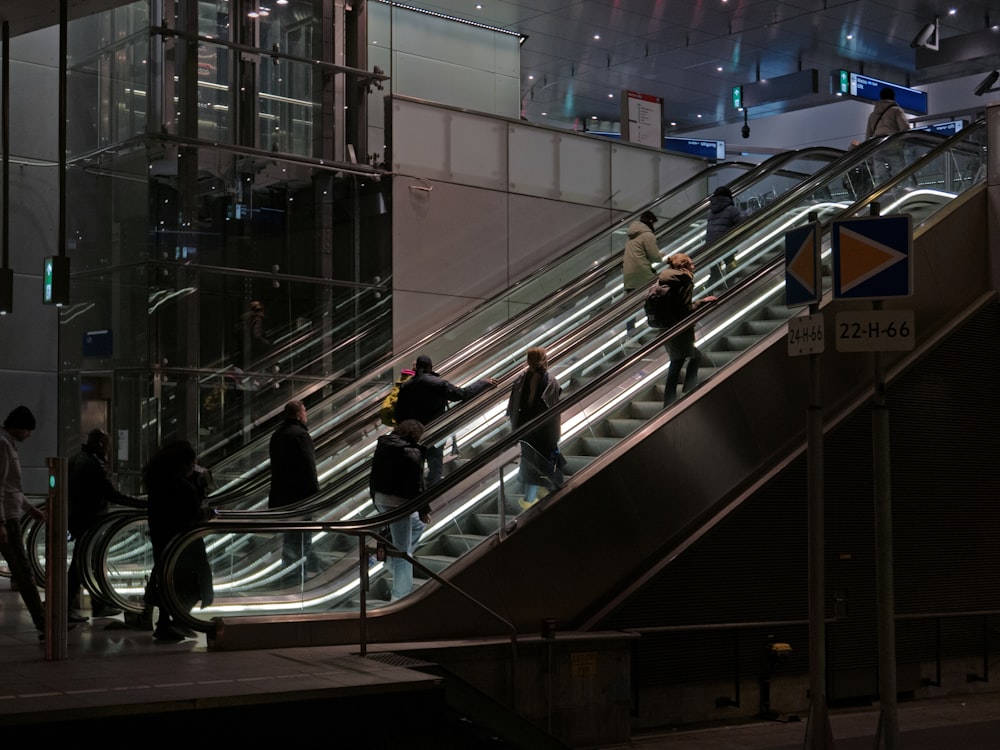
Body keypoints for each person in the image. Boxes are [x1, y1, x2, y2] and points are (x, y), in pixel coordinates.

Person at [67, 428, 145, 622]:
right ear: (101, 444)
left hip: (79, 516)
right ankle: (71, 604)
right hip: (90, 518)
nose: (110, 448)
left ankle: (97, 604)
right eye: (109, 444)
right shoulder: (94, 463)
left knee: (86, 562)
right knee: (82, 563)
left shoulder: (80, 458)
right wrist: (142, 503)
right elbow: (110, 493)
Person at [144, 440, 214, 642]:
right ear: (183, 464)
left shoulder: (157, 481)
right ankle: (179, 622)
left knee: (167, 581)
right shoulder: (183, 487)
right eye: (192, 464)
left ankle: (166, 624)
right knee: (192, 584)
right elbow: (190, 515)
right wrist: (207, 512)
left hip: (162, 539)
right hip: (184, 544)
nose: (194, 468)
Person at [393, 355, 498, 485]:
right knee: (435, 465)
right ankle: (432, 492)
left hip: (413, 435)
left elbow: (399, 413)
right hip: (435, 431)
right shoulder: (439, 384)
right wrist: (482, 382)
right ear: (430, 367)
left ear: (416, 368)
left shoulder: (405, 386)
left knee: (415, 465)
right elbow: (461, 394)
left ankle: (416, 493)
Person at [0, 406, 48, 637]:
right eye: (28, 430)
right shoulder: (3, 445)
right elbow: (1, 487)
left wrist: (30, 510)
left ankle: (42, 621)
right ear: (20, 427)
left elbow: (12, 489)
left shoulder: (8, 445)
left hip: (9, 516)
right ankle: (42, 622)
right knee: (23, 570)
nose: (29, 435)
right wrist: (1, 522)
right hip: (7, 519)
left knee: (24, 570)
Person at [369, 419, 428, 601]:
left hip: (380, 498)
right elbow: (417, 485)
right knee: (403, 551)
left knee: (416, 526)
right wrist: (423, 510)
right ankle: (400, 596)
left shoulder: (384, 445)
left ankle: (390, 561)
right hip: (398, 503)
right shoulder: (411, 452)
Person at [651, 254, 717, 405]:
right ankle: (683, 394)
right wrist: (702, 301)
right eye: (691, 264)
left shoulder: (663, 278)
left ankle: (675, 397)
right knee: (683, 360)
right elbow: (686, 309)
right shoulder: (684, 280)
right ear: (684, 266)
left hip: (665, 327)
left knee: (684, 359)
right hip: (680, 327)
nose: (693, 267)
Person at [506, 347, 564, 509]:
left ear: (527, 362)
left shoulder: (520, 380)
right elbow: (554, 409)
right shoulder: (550, 381)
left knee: (531, 464)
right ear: (545, 359)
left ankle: (529, 500)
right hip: (545, 433)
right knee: (549, 464)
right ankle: (553, 495)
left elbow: (513, 407)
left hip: (526, 432)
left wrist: (516, 431)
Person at [268, 400, 319, 568]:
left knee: (290, 539)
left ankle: (288, 573)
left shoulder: (277, 434)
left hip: (281, 497)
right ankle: (297, 576)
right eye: (305, 412)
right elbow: (308, 467)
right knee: (302, 540)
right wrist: (315, 496)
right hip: (300, 498)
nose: (306, 415)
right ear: (298, 415)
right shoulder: (301, 435)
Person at [622, 210, 663, 336]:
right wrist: (660, 256)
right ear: (651, 221)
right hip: (642, 272)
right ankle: (651, 320)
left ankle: (630, 334)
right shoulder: (647, 235)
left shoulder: (631, 235)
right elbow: (654, 256)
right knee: (654, 297)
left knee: (631, 305)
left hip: (628, 273)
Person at [705, 186, 746, 288]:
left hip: (711, 245)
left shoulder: (711, 212)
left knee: (715, 272)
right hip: (726, 244)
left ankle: (707, 291)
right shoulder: (731, 210)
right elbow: (741, 223)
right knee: (731, 266)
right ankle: (730, 288)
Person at [866, 88, 910, 182]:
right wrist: (902, 144)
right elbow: (905, 128)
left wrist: (869, 156)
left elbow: (868, 136)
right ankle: (901, 191)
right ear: (893, 97)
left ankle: (883, 194)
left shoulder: (873, 115)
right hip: (892, 144)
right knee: (899, 173)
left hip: (877, 146)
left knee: (880, 175)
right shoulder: (896, 110)